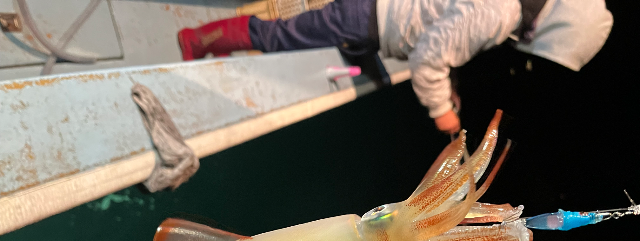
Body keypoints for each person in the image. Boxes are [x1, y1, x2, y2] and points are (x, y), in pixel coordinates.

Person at [177, 0, 612, 134]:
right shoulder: (500, 15)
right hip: (371, 14)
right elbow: (429, 57)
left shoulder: (506, 7)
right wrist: (442, 113)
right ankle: (199, 39)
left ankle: (218, 40)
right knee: (284, 37)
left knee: (317, 37)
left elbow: (448, 31)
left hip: (382, 16)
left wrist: (450, 83)